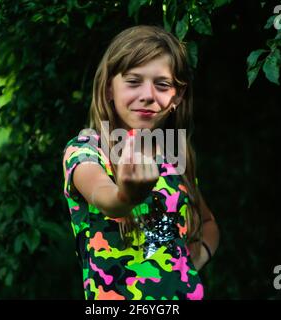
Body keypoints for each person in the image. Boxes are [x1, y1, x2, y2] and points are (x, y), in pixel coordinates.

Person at [62, 25, 220, 300]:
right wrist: (126, 195)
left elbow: (208, 223)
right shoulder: (86, 149)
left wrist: (186, 268)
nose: (148, 94)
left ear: (177, 97)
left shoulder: (174, 155)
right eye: (133, 81)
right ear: (109, 87)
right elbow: (105, 197)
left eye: (162, 84)